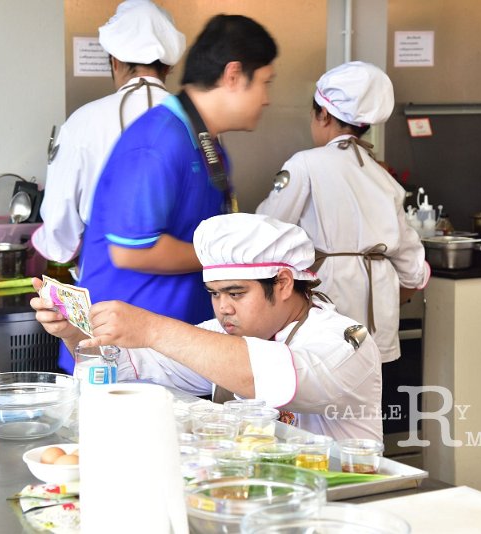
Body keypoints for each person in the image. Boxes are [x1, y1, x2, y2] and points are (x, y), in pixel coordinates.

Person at [32, 213, 383, 441]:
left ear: (283, 283)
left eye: (236, 293)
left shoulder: (343, 342)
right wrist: (75, 332)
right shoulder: (222, 334)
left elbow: (270, 376)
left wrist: (152, 328)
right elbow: (128, 369)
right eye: (215, 294)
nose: (223, 307)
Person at [65, 15, 277, 373]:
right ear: (233, 75)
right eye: (264, 83)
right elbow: (132, 250)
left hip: (173, 347)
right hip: (126, 357)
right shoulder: (159, 140)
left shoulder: (203, 139)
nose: (267, 99)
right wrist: (229, 257)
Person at [256, 61, 430, 362]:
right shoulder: (382, 176)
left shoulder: (305, 164)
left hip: (328, 299)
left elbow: (267, 229)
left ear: (323, 114)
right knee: (370, 383)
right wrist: (397, 290)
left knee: (325, 378)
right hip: (378, 312)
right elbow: (411, 262)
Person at [31, 0, 186, 264]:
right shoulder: (196, 119)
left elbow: (60, 229)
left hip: (107, 270)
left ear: (114, 61)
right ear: (168, 67)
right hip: (184, 270)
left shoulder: (83, 121)